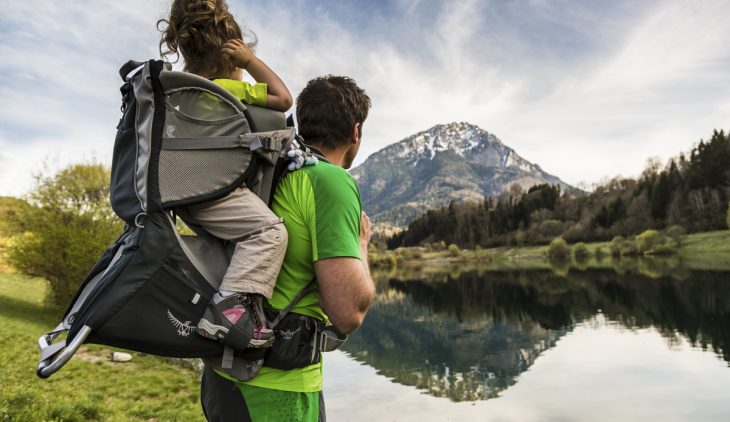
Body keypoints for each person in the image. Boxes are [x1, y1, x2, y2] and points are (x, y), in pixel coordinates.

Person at [200, 75, 376, 421]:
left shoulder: (272, 169)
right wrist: (362, 246)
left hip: (223, 372)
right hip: (277, 386)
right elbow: (347, 313)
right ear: (356, 132)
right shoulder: (332, 181)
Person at [158, 0, 293, 351]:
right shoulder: (226, 90)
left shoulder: (173, 93)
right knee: (269, 232)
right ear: (231, 62)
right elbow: (283, 99)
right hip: (214, 192)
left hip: (178, 193)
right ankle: (227, 315)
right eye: (241, 67)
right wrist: (251, 61)